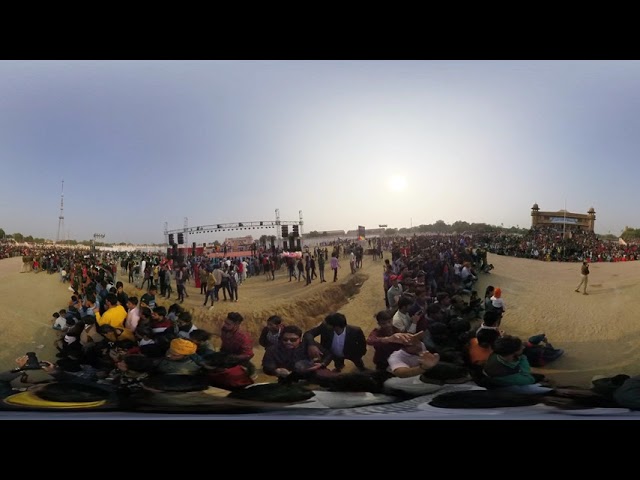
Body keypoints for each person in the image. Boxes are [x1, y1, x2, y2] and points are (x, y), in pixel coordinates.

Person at [303, 312, 367, 372]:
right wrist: (311, 345)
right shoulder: (324, 327)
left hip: (351, 354)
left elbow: (362, 344)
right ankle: (339, 368)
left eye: (327, 324)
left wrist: (359, 354)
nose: (324, 324)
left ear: (336, 327)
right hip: (334, 354)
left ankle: (362, 369)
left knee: (358, 363)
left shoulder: (355, 331)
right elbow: (308, 334)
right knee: (338, 364)